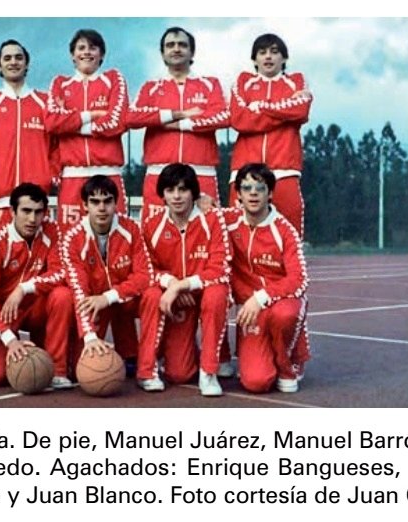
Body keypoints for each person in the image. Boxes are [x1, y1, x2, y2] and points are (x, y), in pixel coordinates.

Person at [138, 164, 230, 396]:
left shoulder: (212, 220)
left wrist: (184, 284)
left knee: (218, 292)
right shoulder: (152, 225)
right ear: (162, 194)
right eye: (170, 190)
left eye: (183, 189)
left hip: (203, 291)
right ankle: (150, 367)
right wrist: (172, 285)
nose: (177, 196)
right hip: (178, 298)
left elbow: (220, 268)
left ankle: (209, 371)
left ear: (194, 193)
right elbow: (148, 268)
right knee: (179, 374)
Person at [0, 183, 74, 389]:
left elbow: (61, 273)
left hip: (36, 308)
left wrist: (24, 288)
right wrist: (10, 340)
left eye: (38, 212)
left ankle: (58, 369)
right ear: (12, 211)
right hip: (5, 314)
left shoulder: (52, 231)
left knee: (63, 295)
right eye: (26, 211)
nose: (32, 219)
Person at [224, 163, 309, 393]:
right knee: (256, 382)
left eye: (260, 188)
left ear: (270, 193)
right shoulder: (227, 221)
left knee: (285, 314)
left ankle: (288, 364)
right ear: (238, 195)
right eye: (247, 187)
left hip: (278, 301)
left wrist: (260, 298)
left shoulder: (284, 230)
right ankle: (259, 355)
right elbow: (197, 214)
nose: (253, 193)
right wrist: (202, 198)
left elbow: (299, 279)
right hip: (251, 311)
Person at [128, 27, 229, 220]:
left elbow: (223, 116)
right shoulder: (151, 88)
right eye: (170, 45)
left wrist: (178, 125)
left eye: (182, 45)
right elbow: (132, 117)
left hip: (202, 172)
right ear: (163, 53)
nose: (176, 49)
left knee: (205, 237)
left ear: (192, 52)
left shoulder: (209, 85)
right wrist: (178, 114)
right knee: (155, 238)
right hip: (158, 173)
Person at [60, 175, 153, 366]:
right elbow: (79, 289)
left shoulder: (131, 228)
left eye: (107, 201)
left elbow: (144, 275)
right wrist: (89, 336)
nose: (102, 208)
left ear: (116, 203)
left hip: (124, 300)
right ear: (85, 206)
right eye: (95, 202)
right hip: (93, 303)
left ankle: (142, 356)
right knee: (85, 365)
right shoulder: (73, 238)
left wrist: (109, 296)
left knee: (153, 294)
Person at [46, 29, 130, 232]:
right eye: (81, 48)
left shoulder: (114, 79)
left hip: (108, 173)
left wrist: (71, 125)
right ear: (72, 55)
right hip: (72, 177)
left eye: (93, 47)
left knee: (115, 238)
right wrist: (91, 115)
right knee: (70, 238)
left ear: (101, 54)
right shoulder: (60, 84)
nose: (87, 52)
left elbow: (117, 122)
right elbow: (52, 123)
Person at [229, 33, 312, 236]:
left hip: (284, 171)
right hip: (244, 172)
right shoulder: (243, 82)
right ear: (254, 59)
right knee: (238, 236)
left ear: (284, 59)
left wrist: (258, 107)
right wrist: (282, 115)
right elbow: (239, 120)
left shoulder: (296, 81)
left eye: (274, 52)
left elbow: (300, 111)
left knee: (289, 236)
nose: (268, 57)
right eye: (262, 52)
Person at [0, 40, 59, 237]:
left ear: (27, 64)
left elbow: (59, 146)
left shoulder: (45, 102)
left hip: (36, 203)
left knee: (38, 260)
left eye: (18, 57)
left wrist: (50, 176)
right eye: (7, 58)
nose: (13, 62)